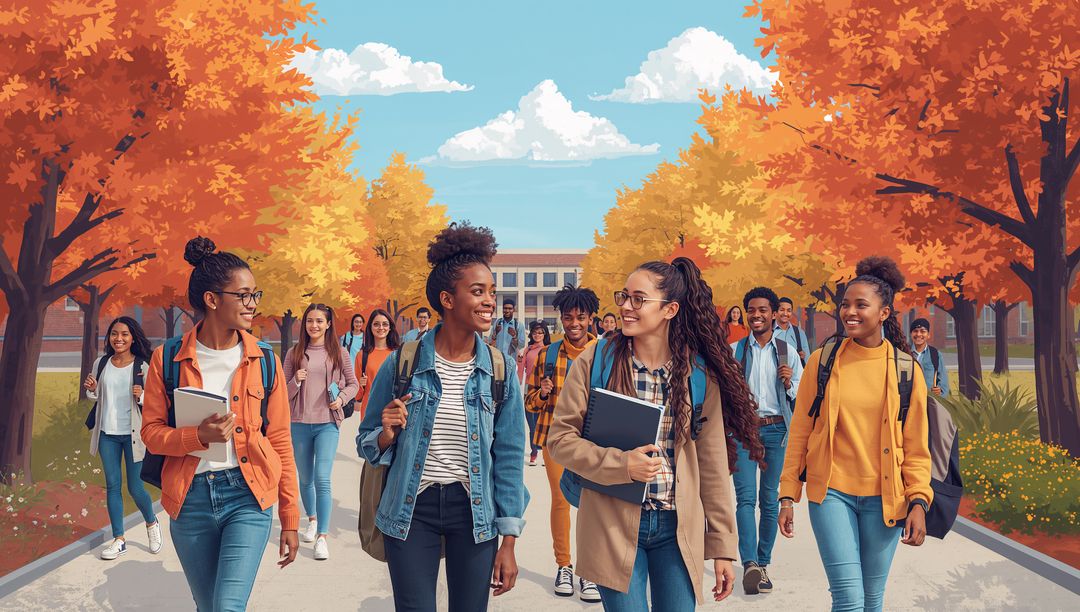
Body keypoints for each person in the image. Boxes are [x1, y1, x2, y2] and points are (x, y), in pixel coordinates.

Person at [548, 257, 766, 610]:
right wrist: (621, 464)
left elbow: (712, 465)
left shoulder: (698, 375)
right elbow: (559, 440)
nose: (626, 307)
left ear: (670, 309)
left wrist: (723, 547)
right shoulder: (597, 359)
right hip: (612, 525)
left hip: (678, 530)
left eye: (639, 299)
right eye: (624, 297)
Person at [357, 222, 528, 611]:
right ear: (448, 300)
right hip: (410, 507)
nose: (489, 302)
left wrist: (509, 541)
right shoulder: (404, 363)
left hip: (474, 510)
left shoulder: (499, 370)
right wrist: (385, 433)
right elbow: (367, 441)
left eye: (492, 292)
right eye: (478, 291)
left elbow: (510, 458)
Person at [141, 237, 300, 611]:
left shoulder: (265, 360)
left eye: (254, 295)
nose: (253, 304)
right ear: (212, 300)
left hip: (247, 495)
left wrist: (290, 515)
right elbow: (150, 434)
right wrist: (196, 436)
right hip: (190, 499)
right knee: (208, 606)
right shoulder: (167, 359)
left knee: (228, 607)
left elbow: (279, 440)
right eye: (243, 296)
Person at [778, 256, 932, 612]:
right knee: (849, 599)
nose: (850, 312)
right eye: (845, 304)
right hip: (831, 494)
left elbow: (916, 448)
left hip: (885, 499)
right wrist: (787, 494)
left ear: (884, 313)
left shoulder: (906, 370)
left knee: (872, 600)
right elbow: (800, 430)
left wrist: (919, 501)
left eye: (861, 305)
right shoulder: (824, 359)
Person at [525, 285, 602, 603]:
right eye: (568, 317)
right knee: (560, 500)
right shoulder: (548, 354)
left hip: (594, 442)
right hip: (556, 439)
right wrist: (542, 393)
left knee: (591, 506)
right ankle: (564, 566)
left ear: (590, 318)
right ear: (561, 318)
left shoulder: (605, 352)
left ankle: (589, 571)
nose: (574, 323)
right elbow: (529, 403)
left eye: (580, 317)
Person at [730, 287, 803, 595]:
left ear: (774, 314)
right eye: (751, 310)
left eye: (762, 310)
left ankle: (763, 563)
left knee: (769, 498)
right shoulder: (734, 350)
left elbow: (800, 395)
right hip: (745, 431)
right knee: (745, 499)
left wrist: (789, 383)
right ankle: (749, 564)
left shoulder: (787, 351)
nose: (756, 315)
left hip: (776, 431)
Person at [283, 303, 359, 560]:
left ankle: (322, 537)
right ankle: (312, 519)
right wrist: (296, 381)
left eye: (319, 321)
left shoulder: (340, 353)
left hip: (327, 423)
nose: (313, 325)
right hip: (300, 423)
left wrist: (342, 400)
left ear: (328, 324)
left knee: (322, 478)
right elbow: (283, 392)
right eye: (309, 321)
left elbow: (353, 384)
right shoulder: (294, 353)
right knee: (305, 478)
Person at [84, 316, 161, 560]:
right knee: (113, 486)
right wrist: (92, 388)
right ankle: (119, 539)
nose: (119, 339)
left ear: (132, 338)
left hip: (133, 435)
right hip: (107, 433)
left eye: (124, 334)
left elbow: (155, 404)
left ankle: (151, 523)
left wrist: (141, 396)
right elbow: (95, 396)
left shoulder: (142, 366)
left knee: (135, 487)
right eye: (114, 334)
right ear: (109, 338)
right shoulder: (102, 362)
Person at [354, 309, 400, 419]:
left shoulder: (398, 354)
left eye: (385, 324)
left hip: (392, 412)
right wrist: (360, 385)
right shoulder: (362, 355)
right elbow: (357, 395)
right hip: (369, 413)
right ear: (370, 327)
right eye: (376, 324)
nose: (381, 328)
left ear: (390, 328)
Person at [518, 321, 550, 466]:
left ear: (545, 334)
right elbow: (520, 370)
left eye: (541, 332)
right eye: (535, 332)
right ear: (531, 334)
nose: (537, 335)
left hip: (544, 389)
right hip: (529, 390)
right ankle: (534, 452)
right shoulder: (527, 350)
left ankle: (545, 453)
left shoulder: (549, 349)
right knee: (532, 424)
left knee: (544, 422)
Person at [910, 318, 949, 397]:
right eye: (915, 331)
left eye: (923, 331)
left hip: (929, 401)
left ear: (928, 335)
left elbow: (944, 385)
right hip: (909, 402)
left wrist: (939, 390)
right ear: (911, 334)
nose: (918, 334)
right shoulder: (904, 353)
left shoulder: (935, 354)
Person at [775, 297, 810, 365]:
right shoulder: (768, 332)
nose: (785, 313)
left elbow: (807, 360)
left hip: (795, 373)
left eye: (789, 310)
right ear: (776, 312)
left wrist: (803, 357)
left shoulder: (799, 333)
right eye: (782, 310)